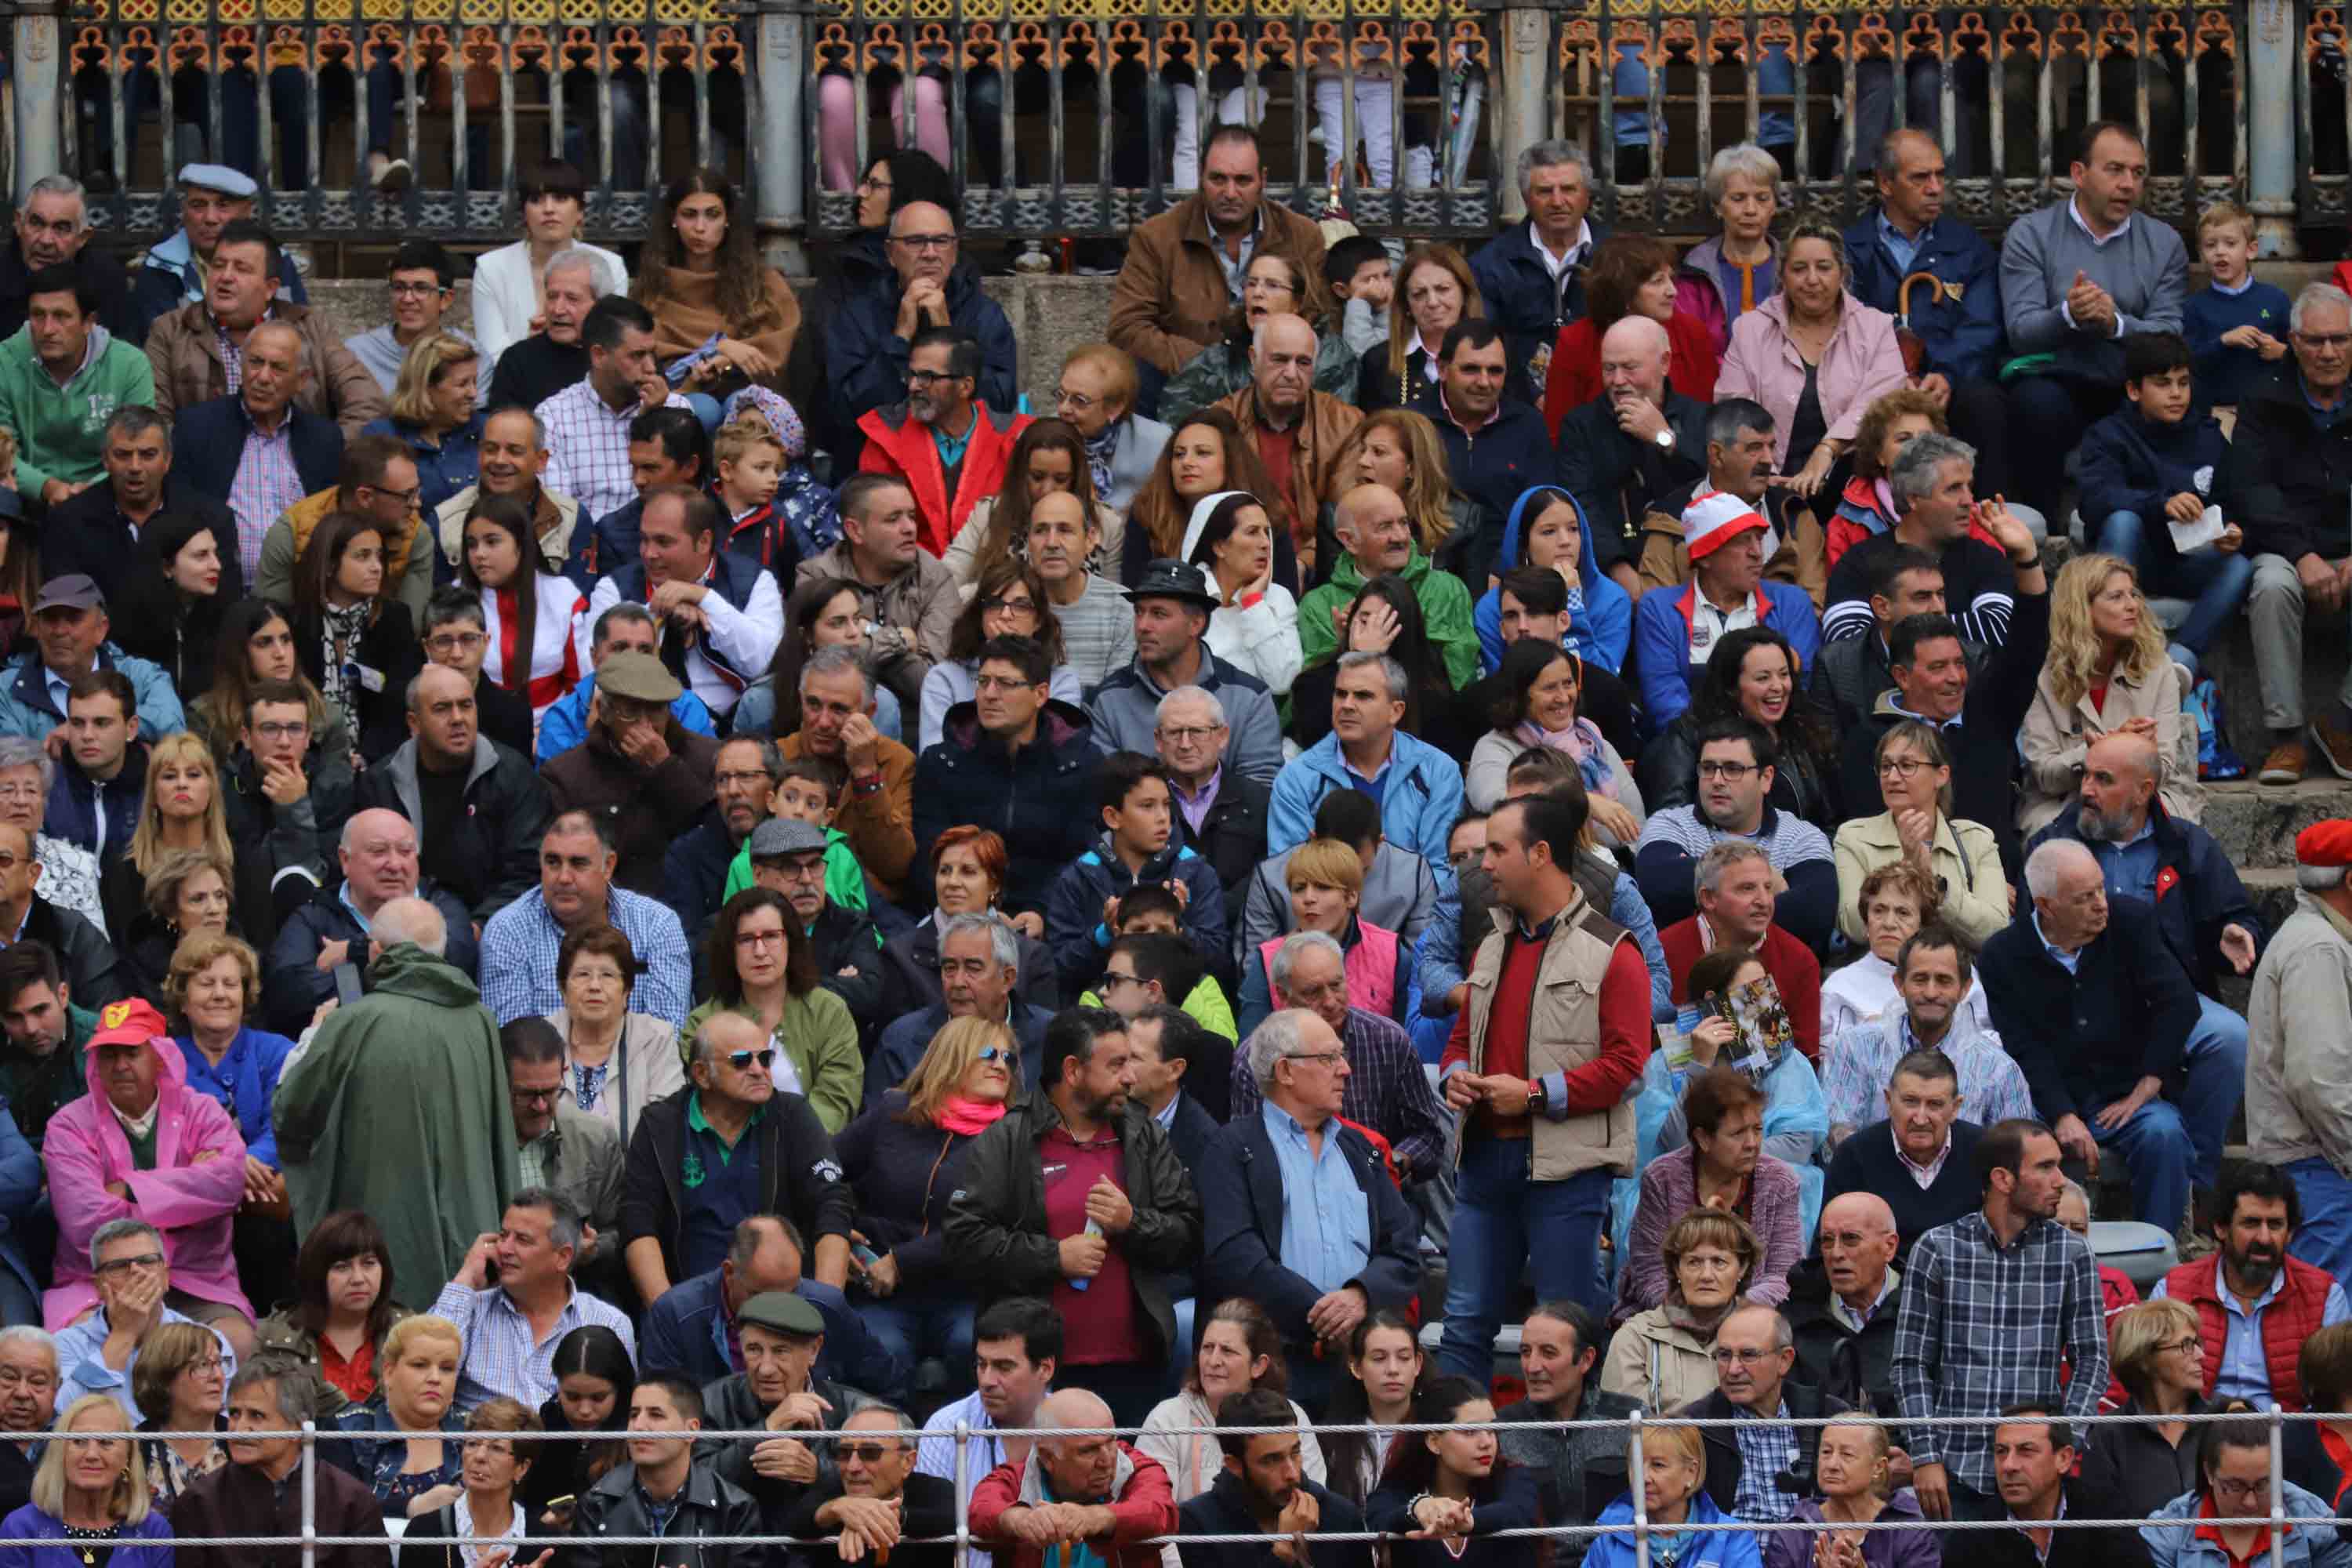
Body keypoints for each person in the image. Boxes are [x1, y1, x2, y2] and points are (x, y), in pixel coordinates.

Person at [1439, 790, 1650, 1370]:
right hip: (1482, 1164)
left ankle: (1582, 1457)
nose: (1483, 865)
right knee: (1463, 1326)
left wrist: (1532, 1096)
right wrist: (1455, 1077)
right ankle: (1462, 1453)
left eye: (1497, 850)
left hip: (1567, 1174)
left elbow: (1628, 1067)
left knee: (1569, 1330)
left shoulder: (1614, 952)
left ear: (1540, 854)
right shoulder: (1489, 945)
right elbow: (1461, 1043)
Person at [944, 1008, 1203, 1426]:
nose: (1130, 1077)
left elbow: (1188, 1233)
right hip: (1039, 1370)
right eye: (1116, 1065)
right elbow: (964, 1238)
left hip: (1136, 1366)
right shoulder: (1009, 1139)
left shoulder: (1143, 1135)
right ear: (1073, 1070)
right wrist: (1054, 1257)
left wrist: (1131, 1221)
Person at [274, 896, 520, 1317]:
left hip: (380, 1242)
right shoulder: (479, 1019)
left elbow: (292, 1113)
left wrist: (315, 1037)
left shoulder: (352, 1022)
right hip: (471, 1234)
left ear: (375, 951)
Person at [1982, 840, 2219, 1229]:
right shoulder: (2002, 957)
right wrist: (2062, 1113)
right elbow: (2022, 1046)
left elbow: (2179, 1002)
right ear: (2046, 906)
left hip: (2126, 1092)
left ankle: (2160, 1246)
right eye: (2084, 898)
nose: (2101, 904)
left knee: (2165, 1134)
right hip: (2050, 1097)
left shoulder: (2131, 922)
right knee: (2017, 1147)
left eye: (2101, 889)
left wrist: (2148, 1083)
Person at [1196, 1010, 1422, 1393]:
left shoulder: (1360, 1149)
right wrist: (1323, 1315)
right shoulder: (1231, 1147)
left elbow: (1403, 1247)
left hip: (1354, 1364)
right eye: (1329, 1058)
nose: (1346, 1069)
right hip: (1272, 1366)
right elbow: (1234, 1255)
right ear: (1285, 1071)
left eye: (1343, 1056)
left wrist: (1360, 1297)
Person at [1893, 1121, 2110, 1521]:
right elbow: (1911, 1363)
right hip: (1954, 1473)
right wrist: (1924, 1456)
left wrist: (2064, 1443)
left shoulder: (2073, 1254)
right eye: (2045, 1167)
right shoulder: (1938, 1249)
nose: (2060, 1181)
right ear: (2003, 1178)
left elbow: (2092, 1361)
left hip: (2038, 1475)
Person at [2001, 122, 2189, 519]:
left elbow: (2170, 332)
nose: (2128, 184)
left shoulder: (2165, 242)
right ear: (2079, 175)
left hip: (2128, 374)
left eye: (2138, 173)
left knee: (2173, 396)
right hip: (2058, 374)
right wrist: (2068, 313)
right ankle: (2044, 526)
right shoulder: (2031, 234)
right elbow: (2021, 333)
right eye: (2115, 170)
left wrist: (2115, 323)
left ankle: (2155, 521)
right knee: (2036, 404)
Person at [43, 1000, 252, 1356]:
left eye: (131, 1053)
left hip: (195, 1280)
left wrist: (131, 1190)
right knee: (77, 1353)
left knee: (236, 1342)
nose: (120, 1066)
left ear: (159, 1056)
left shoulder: (202, 1111)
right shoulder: (67, 1126)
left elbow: (229, 1184)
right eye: (109, 1055)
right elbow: (86, 1223)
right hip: (99, 1282)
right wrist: (187, 1201)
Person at [619, 1006, 855, 1307]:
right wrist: (668, 1313)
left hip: (782, 1305)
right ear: (702, 1074)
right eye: (742, 1061)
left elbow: (832, 1205)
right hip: (689, 1303)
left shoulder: (793, 1116)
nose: (759, 1070)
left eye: (765, 1058)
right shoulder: (660, 1126)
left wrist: (826, 1306)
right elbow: (638, 1223)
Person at [1842, 129, 2012, 494]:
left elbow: (1983, 326)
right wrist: (1889, 375)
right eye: (1920, 177)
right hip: (1874, 382)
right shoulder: (1851, 248)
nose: (1936, 188)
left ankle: (1990, 515)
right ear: (1885, 184)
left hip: (1948, 384)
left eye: (1939, 175)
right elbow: (1845, 325)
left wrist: (1947, 374)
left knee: (1985, 402)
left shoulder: (1968, 247)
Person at [2078, 329, 2253, 675]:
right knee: (2122, 519)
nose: (2176, 394)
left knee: (2241, 565)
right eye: (2162, 383)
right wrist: (2160, 503)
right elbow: (2095, 499)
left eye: (2183, 382)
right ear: (2133, 390)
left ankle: (2180, 663)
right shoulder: (2108, 434)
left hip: (2187, 561)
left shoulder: (2209, 437)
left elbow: (2231, 500)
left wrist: (2230, 531)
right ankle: (2112, 651)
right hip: (2129, 559)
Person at [2234, 283, 2352, 784]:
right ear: (2293, 341)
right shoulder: (2264, 399)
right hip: (2285, 547)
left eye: (2341, 340)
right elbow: (2250, 489)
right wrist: (2302, 554)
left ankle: (2342, 718)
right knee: (2274, 586)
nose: (2329, 353)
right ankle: (2286, 737)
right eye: (2316, 340)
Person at [1108, 125, 1327, 391]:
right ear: (1201, 177)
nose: (1230, 193)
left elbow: (1318, 317)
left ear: (1263, 180)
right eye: (1218, 179)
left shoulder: (1303, 236)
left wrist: (1266, 362)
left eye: (1243, 180)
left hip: (1280, 382)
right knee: (1136, 374)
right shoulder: (1156, 238)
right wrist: (1209, 364)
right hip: (1187, 383)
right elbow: (1127, 327)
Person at [1715, 218, 1907, 503]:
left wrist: (1827, 449)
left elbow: (1881, 404)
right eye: (1799, 269)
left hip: (1852, 483)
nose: (1812, 279)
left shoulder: (1874, 328)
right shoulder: (1750, 329)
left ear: (1842, 273)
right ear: (1783, 276)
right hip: (1766, 483)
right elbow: (1733, 408)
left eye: (1824, 267)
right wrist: (1763, 472)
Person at [912, 637, 1101, 917]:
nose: (989, 694)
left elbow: (1081, 859)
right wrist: (982, 912)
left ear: (1040, 694)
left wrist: (1041, 911)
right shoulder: (943, 762)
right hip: (961, 914)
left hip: (1053, 917)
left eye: (1006, 684)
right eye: (983, 681)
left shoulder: (1080, 764)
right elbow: (932, 856)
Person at [144, 222, 386, 439]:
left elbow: (367, 403)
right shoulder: (172, 330)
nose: (225, 277)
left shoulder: (310, 327)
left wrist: (324, 453)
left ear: (270, 288)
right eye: (218, 266)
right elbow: (154, 420)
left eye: (241, 269)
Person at [2018, 554, 2201, 836]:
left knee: (2163, 830)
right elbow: (2044, 775)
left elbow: (2163, 767)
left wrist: (2127, 751)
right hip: (2066, 801)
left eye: (2134, 595)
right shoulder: (2044, 675)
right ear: (2082, 609)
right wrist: (2096, 752)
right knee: (2054, 836)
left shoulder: (2158, 668)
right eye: (2116, 597)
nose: (2133, 606)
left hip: (2142, 799)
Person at [2147, 1161, 2350, 1410]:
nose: (2264, 1238)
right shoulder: (2172, 1292)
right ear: (2221, 1228)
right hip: (2196, 1438)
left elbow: (2338, 1400)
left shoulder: (2325, 1296)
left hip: (2288, 1440)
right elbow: (2150, 1387)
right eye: (2251, 1223)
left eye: (2275, 1225)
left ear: (2290, 1234)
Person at [259, 807, 474, 1036]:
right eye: (379, 851)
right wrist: (383, 967)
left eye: (405, 851)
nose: (394, 864)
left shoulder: (443, 905)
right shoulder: (313, 917)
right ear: (345, 860)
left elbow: (453, 964)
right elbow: (287, 994)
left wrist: (355, 952)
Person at [584, 485, 786, 725]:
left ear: (703, 541)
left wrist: (705, 599)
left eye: (663, 542)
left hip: (730, 730)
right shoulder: (614, 588)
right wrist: (659, 617)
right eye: (644, 540)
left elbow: (763, 664)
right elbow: (594, 668)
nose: (649, 553)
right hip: (639, 719)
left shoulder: (755, 581)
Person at [1821, 430, 2038, 651]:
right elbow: (1847, 645)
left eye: (1969, 487)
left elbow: (1998, 629)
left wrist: (1895, 631)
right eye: (1954, 489)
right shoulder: (1859, 563)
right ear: (1913, 498)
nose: (1969, 501)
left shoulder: (1985, 557)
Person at [476, 808, 691, 1030]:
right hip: (547, 1064)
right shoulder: (508, 930)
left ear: (608, 866)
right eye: (552, 862)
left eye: (578, 864)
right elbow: (514, 1047)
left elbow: (668, 1034)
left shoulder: (657, 924)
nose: (564, 878)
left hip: (643, 1064)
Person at [1631, 488, 1823, 737]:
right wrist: (1723, 749)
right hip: (1692, 749)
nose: (1757, 552)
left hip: (1777, 745)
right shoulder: (1659, 609)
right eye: (1743, 541)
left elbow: (1803, 690)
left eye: (1758, 539)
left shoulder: (1792, 602)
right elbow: (1665, 704)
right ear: (1705, 557)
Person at [1633, 719, 1837, 949]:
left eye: (1733, 769)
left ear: (1766, 778)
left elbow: (1814, 914)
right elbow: (1658, 884)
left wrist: (1708, 891)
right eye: (1708, 768)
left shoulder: (1802, 837)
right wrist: (1767, 880)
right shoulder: (1670, 824)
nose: (1717, 781)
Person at [172, 1355, 390, 1568]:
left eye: (256, 1416)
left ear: (298, 1427)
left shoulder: (351, 1501)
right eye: (235, 1414)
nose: (238, 1429)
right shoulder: (198, 1502)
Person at [1619, 1064, 1805, 1313]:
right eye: (1738, 1133)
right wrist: (1694, 1313)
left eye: (1758, 1130)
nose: (1752, 1144)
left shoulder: (1780, 1181)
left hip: (1752, 1319)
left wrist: (1730, 1311)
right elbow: (1650, 1272)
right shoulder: (1662, 1178)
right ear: (1703, 1138)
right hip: (1672, 1315)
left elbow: (1782, 1274)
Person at [428, 1189, 633, 1412]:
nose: (504, 1249)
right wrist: (465, 1278)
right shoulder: (470, 1310)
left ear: (562, 1257)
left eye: (522, 1240)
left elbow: (619, 1417)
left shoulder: (608, 1323)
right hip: (479, 1445)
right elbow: (422, 1375)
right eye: (503, 1235)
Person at [1268, 652, 1466, 881]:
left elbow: (1439, 870)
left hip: (1416, 912)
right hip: (1326, 912)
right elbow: (1291, 873)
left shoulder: (1439, 771)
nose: (1347, 705)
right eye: (1341, 694)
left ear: (1396, 711)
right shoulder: (1297, 778)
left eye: (1363, 696)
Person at [1044, 752, 1228, 998]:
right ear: (1113, 817)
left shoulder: (1195, 872)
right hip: (1101, 1014)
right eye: (1147, 806)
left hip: (1178, 1016)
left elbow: (1218, 963)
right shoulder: (1077, 878)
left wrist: (1177, 926)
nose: (1163, 817)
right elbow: (1060, 970)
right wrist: (1104, 934)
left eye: (1166, 804)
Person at [828, 201, 1018, 438]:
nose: (930, 253)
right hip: (882, 460)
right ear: (890, 254)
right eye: (916, 241)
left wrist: (948, 339)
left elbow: (1000, 407)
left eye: (941, 241)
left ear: (955, 252)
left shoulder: (984, 314)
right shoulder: (856, 316)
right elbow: (846, 414)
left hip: (963, 459)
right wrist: (898, 340)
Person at [1558, 316, 1712, 597]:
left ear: (1665, 363)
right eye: (1609, 369)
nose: (1617, 381)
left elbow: (1711, 487)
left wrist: (1663, 439)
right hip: (1609, 576)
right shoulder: (1581, 426)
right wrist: (1619, 570)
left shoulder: (1700, 418)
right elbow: (1580, 503)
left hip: (1692, 571)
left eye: (1630, 368)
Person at [539, 655, 717, 898]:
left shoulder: (707, 757)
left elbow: (715, 835)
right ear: (604, 712)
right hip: (603, 911)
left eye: (655, 710)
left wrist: (665, 768)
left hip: (691, 905)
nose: (645, 725)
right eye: (631, 712)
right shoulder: (565, 774)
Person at [1089, 560, 1282, 782]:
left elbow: (1261, 789)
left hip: (1228, 816)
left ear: (1196, 624)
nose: (1142, 626)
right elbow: (1107, 793)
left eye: (1159, 614)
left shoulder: (1249, 698)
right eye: (1139, 612)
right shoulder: (1108, 700)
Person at [855, 330, 1033, 564]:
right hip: (908, 578)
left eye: (927, 377)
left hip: (994, 578)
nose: (913, 386)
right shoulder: (885, 438)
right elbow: (876, 529)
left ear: (965, 387)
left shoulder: (1016, 440)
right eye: (911, 375)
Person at [632, 167, 799, 414]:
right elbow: (641, 356)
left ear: (727, 219)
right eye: (690, 215)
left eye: (712, 215)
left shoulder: (764, 283)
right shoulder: (652, 286)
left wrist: (728, 361)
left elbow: (772, 352)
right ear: (673, 220)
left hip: (747, 389)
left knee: (746, 407)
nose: (700, 227)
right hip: (677, 397)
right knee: (701, 410)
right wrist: (716, 350)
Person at [1642, 626, 1835, 830]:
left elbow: (1830, 823)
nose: (1778, 686)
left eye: (1784, 674)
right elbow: (1671, 822)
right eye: (1763, 678)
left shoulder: (1801, 731)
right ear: (1731, 687)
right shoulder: (1689, 736)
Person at [1210, 315, 1365, 568]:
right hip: (1234, 565)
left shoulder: (1345, 424)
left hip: (1320, 569)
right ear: (1253, 359)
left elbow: (1344, 518)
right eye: (1280, 360)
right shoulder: (1221, 422)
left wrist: (1303, 564)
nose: (1291, 374)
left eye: (1303, 362)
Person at [1833, 721, 2007, 946]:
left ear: (1941, 775)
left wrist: (1933, 884)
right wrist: (1904, 872)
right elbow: (1853, 927)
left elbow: (1996, 933)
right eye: (1886, 766)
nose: (1892, 777)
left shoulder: (1977, 840)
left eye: (1907, 765)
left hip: (1955, 973)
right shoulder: (1853, 837)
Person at [1138, 1298, 1328, 1504]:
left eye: (1227, 1351)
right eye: (1208, 1348)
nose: (1213, 1361)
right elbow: (1155, 1512)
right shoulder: (1166, 1420)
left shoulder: (1293, 1417)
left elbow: (1311, 1505)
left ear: (1258, 1366)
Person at [967, 1385, 1178, 1568]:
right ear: (1048, 1457)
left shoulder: (1138, 1468)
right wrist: (1021, 1520)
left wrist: (1095, 1518)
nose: (1107, 1460)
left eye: (1111, 1440)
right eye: (1088, 1451)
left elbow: (1161, 1513)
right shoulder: (1014, 1478)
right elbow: (979, 1512)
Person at [567, 1374, 760, 1568]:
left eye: (656, 1415)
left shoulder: (736, 1509)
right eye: (634, 1415)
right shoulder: (597, 1504)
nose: (639, 1426)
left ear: (691, 1430)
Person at [1299, 481, 1478, 686]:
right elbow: (1312, 695)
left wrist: (1377, 646)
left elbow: (1459, 680)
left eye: (1403, 523)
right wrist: (1343, 647)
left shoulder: (1446, 591)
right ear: (1348, 540)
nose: (1401, 537)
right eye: (1384, 527)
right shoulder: (1319, 607)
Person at [0, 269, 153, 509]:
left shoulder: (130, 365)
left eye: (61, 316)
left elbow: (139, 446)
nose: (48, 328)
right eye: (38, 315)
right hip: (21, 497)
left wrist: (95, 490)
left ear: (88, 323)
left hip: (110, 496)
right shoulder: (4, 361)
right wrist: (47, 487)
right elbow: (1, 453)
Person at [1541, 234, 1721, 432]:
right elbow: (1559, 427)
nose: (1672, 291)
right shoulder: (1576, 341)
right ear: (1624, 290)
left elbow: (1706, 422)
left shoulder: (1692, 334)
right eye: (1657, 281)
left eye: (1671, 279)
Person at [1174, 1385, 1366, 1568]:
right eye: (1271, 1460)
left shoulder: (1343, 1518)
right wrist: (1282, 1552)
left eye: (1295, 1452)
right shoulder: (1198, 1524)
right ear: (1234, 1465)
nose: (1291, 1473)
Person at [1366, 1374, 1545, 1568]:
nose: (1487, 1443)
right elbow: (1379, 1517)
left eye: (1492, 1429)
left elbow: (1516, 1511)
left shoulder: (1513, 1477)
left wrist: (1464, 1520)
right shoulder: (1397, 1488)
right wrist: (1418, 1508)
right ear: (1434, 1442)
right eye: (1470, 1432)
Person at [2140, 1406, 2350, 1568]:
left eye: (2263, 1485)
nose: (2250, 1502)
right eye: (2235, 1486)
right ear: (2209, 1473)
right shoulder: (2167, 1532)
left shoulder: (2318, 1526)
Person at [1160, 252, 1355, 426]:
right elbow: (1175, 406)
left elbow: (1333, 425)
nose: (1257, 293)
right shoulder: (1227, 352)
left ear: (1297, 302)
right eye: (1251, 284)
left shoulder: (1330, 353)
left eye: (1272, 285)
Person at [1412, 321, 1559, 549]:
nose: (1484, 382)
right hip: (1429, 564)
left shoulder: (1528, 425)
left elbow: (1543, 512)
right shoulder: (1410, 424)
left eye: (1495, 371)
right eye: (1470, 369)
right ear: (1442, 370)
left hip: (1509, 568)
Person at [469, 165, 628, 362]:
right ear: (524, 214)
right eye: (536, 200)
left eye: (561, 199)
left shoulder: (611, 266)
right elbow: (491, 354)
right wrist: (533, 346)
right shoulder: (491, 268)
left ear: (580, 211)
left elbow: (612, 343)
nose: (549, 209)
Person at [3, 1391, 175, 1568]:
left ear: (128, 1457)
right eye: (79, 1441)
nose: (92, 1454)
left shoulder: (154, 1532)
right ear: (60, 1452)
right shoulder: (21, 1528)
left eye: (106, 1443)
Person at [253, 1210, 405, 1410]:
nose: (358, 1278)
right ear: (316, 1274)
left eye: (369, 1264)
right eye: (342, 1267)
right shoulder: (271, 1337)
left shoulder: (410, 1333)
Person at [780, 1403, 960, 1568]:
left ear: (907, 1462)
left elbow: (954, 1520)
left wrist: (889, 1516)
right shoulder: (832, 1489)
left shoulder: (933, 1490)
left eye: (870, 1453)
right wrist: (834, 1509)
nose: (853, 1466)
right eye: (844, 1453)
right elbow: (794, 1523)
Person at [325, 1312, 464, 1517]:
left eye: (447, 1368)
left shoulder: (476, 1434)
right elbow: (335, 1513)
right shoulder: (346, 1432)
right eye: (420, 1365)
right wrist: (410, 1507)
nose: (435, 1378)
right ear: (389, 1373)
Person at [1783, 1191, 1905, 1415]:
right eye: (1827, 1241)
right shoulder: (1795, 1319)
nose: (1836, 1253)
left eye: (1850, 1239)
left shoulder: (1923, 1310)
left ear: (1889, 1247)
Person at [1581, 1422, 1762, 1568]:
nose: (1643, 1477)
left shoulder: (1732, 1536)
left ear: (1691, 1472)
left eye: (1658, 1465)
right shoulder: (1609, 1540)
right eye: (1635, 1464)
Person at [1763, 1417, 1936, 1568]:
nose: (1831, 1465)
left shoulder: (1910, 1531)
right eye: (1826, 1452)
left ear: (1878, 1467)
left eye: (1847, 1454)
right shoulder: (1794, 1532)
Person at [1178, 491, 1304, 698]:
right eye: (1253, 532)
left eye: (1266, 532)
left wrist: (1253, 604)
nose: (1266, 543)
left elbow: (1284, 681)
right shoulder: (1185, 598)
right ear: (1220, 546)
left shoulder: (1278, 598)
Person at [340, 243, 489, 403]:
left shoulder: (471, 356)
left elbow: (474, 419)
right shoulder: (357, 354)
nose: (408, 299)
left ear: (445, 299)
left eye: (421, 288)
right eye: (399, 288)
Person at [0, 177, 140, 347]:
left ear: (82, 238)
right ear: (19, 223)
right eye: (36, 223)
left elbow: (124, 357)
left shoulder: (107, 278)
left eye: (61, 228)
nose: (46, 241)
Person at [486, 249, 609, 419]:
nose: (557, 309)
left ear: (600, 305)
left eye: (572, 299)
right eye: (552, 297)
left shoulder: (619, 357)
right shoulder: (518, 361)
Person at [1055, 345, 1174, 517]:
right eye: (1060, 395)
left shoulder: (1157, 443)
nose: (1064, 409)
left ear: (1115, 407)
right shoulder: (1040, 436)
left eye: (1079, 401)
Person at [0, 945, 96, 1154]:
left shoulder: (103, 1044)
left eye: (40, 1010)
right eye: (14, 1017)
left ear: (63, 995)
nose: (30, 1028)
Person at [128, 1319, 226, 1506]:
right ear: (164, 1377)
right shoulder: (133, 1449)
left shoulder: (239, 1443)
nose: (218, 1376)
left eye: (219, 1363)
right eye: (203, 1365)